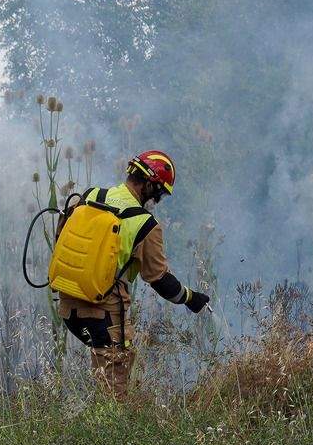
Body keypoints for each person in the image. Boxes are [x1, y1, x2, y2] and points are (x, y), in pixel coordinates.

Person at [56, 149, 209, 400]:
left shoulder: (91, 195)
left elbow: (62, 235)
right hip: (104, 312)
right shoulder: (145, 224)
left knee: (104, 375)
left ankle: (92, 424)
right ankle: (106, 435)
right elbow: (161, 281)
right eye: (158, 193)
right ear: (149, 184)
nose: (156, 201)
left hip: (68, 305)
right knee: (114, 394)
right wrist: (191, 298)